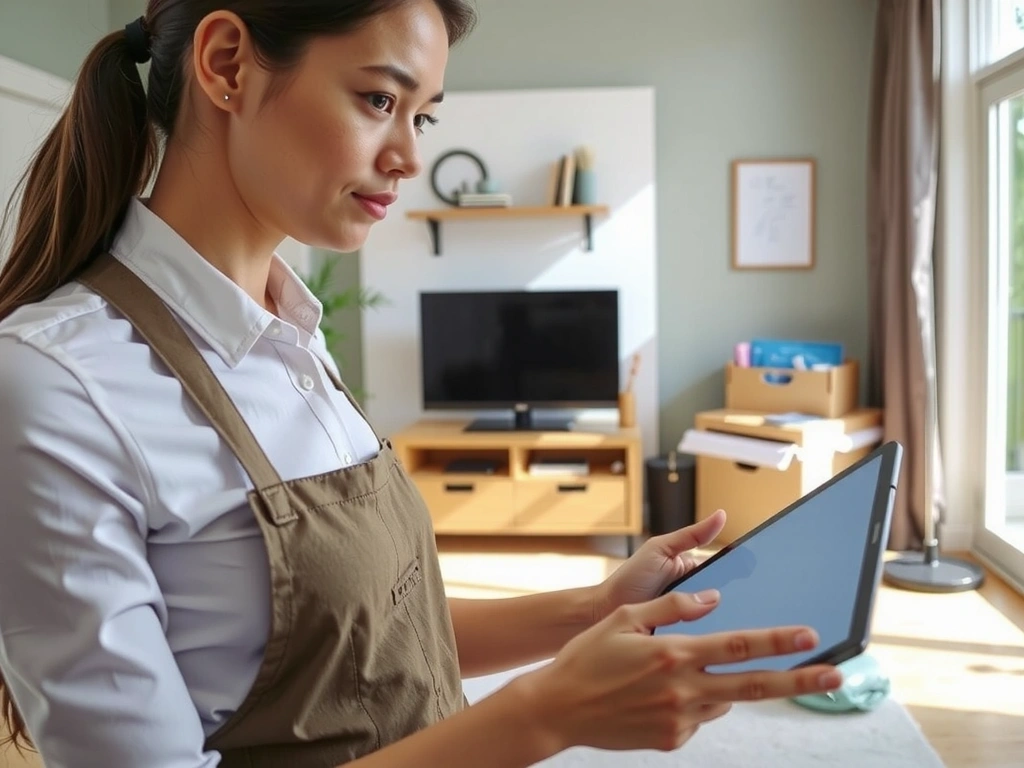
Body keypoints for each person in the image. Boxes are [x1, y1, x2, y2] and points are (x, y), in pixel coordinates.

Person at [0, 2, 844, 766]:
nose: (408, 155)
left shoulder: (293, 336)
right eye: (379, 100)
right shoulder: (56, 388)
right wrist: (546, 714)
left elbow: (381, 642)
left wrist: (593, 608)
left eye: (423, 115)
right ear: (225, 65)